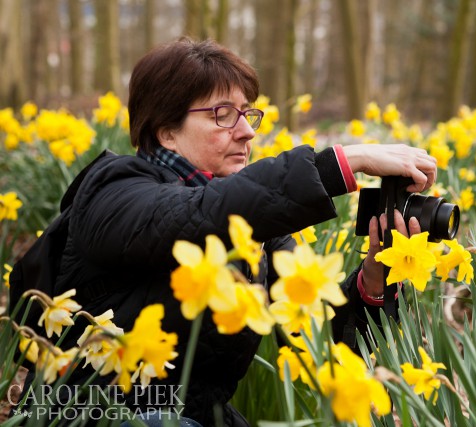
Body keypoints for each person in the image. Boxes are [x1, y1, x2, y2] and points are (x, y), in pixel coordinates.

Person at [19, 37, 437, 426]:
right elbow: (195, 216)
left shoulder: (252, 231)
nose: (247, 131)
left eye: (248, 113)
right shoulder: (113, 192)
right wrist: (340, 164)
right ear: (166, 131)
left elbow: (319, 336)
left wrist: (373, 281)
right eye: (223, 115)